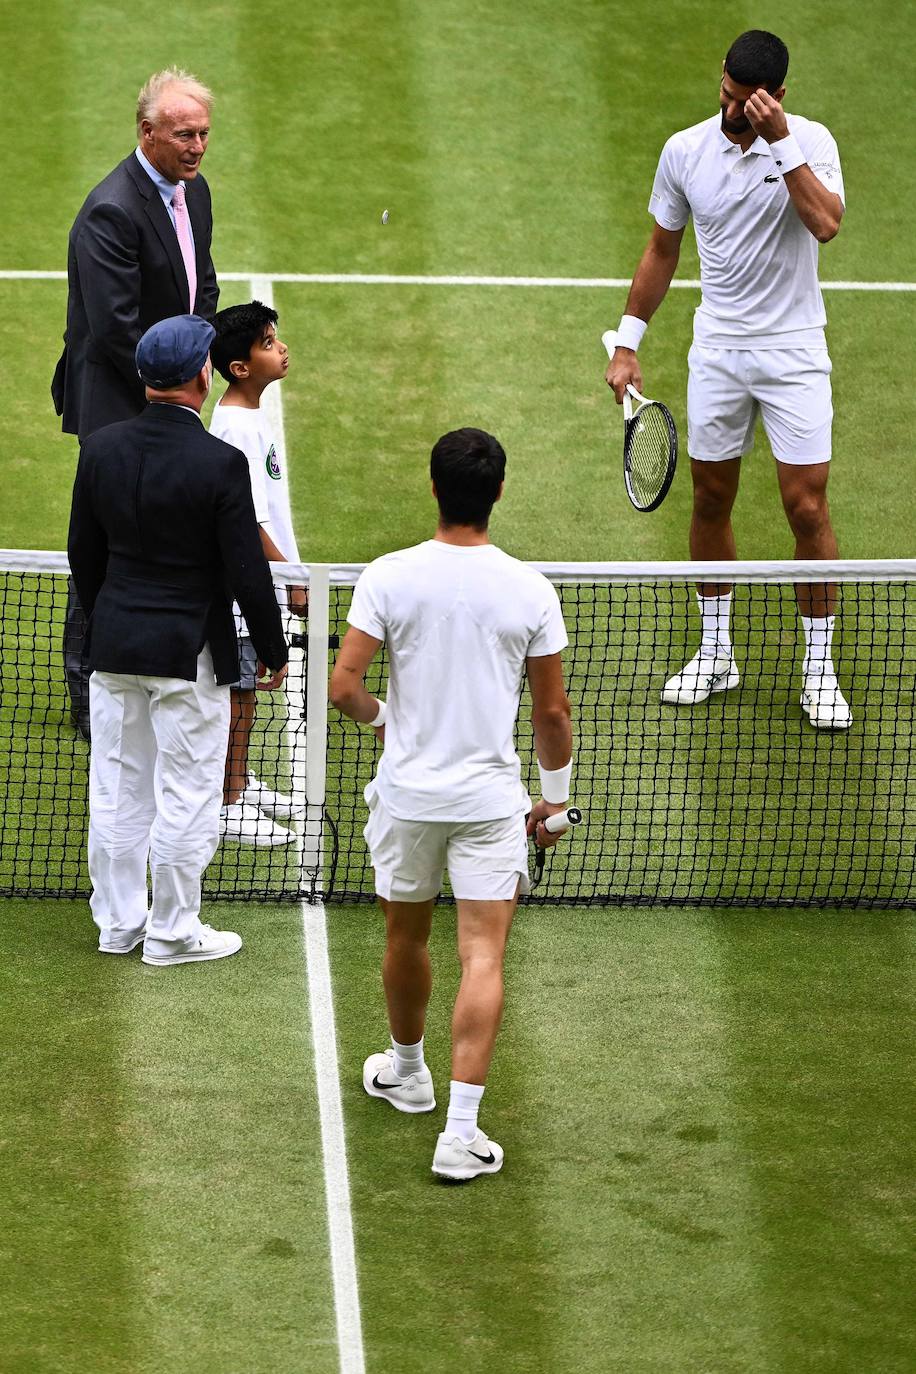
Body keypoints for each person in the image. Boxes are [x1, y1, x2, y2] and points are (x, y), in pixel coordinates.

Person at [329, 429, 574, 1181]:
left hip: (407, 798)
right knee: (482, 953)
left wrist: (387, 722)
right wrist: (554, 805)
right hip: (488, 803)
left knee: (405, 939)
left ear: (434, 489)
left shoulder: (388, 576)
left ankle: (408, 1073)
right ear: (498, 492)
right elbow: (552, 716)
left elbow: (343, 687)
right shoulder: (531, 590)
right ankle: (460, 1134)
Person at [605, 30, 851, 729]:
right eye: (727, 93)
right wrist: (627, 344)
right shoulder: (685, 150)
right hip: (719, 350)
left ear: (777, 97)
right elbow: (661, 249)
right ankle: (716, 651)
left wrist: (783, 146)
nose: (733, 109)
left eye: (749, 101)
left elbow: (826, 224)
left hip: (794, 349)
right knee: (711, 495)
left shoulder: (812, 142)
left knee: (806, 508)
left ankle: (819, 666)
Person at [67, 315, 289, 967]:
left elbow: (86, 557)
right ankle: (171, 931)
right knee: (188, 792)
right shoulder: (219, 462)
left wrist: (116, 613)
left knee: (117, 787)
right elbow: (245, 566)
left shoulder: (101, 449)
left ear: (145, 381)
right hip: (187, 654)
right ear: (201, 376)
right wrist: (273, 650)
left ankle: (117, 924)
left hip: (114, 647)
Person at [53, 68, 219, 740]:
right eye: (185, 133)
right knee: (104, 539)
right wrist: (178, 385)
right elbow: (117, 328)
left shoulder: (194, 191)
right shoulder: (112, 210)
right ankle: (85, 689)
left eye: (204, 133)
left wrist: (201, 347)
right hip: (118, 400)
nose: (198, 146)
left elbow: (199, 281)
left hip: (168, 385)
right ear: (147, 132)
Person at [208, 301, 308, 847]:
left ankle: (239, 784)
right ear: (240, 367)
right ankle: (227, 802)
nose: (281, 347)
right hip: (244, 588)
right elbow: (245, 520)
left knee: (246, 694)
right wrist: (293, 581)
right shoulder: (237, 428)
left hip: (257, 581)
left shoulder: (251, 416)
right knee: (240, 696)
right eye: (268, 343)